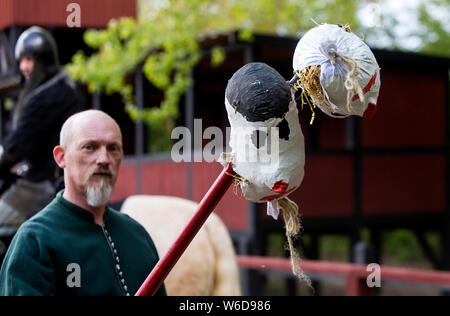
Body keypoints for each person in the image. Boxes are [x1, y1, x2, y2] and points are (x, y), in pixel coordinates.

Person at [0, 110, 166, 296]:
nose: (104, 159)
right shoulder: (35, 240)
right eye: (89, 147)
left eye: (113, 148)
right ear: (61, 157)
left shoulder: (138, 235)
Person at [0, 26, 84, 257]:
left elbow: (19, 145)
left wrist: (4, 154)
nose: (24, 67)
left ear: (43, 60)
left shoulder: (49, 96)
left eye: (29, 60)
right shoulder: (61, 88)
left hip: (44, 183)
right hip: (53, 177)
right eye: (21, 61)